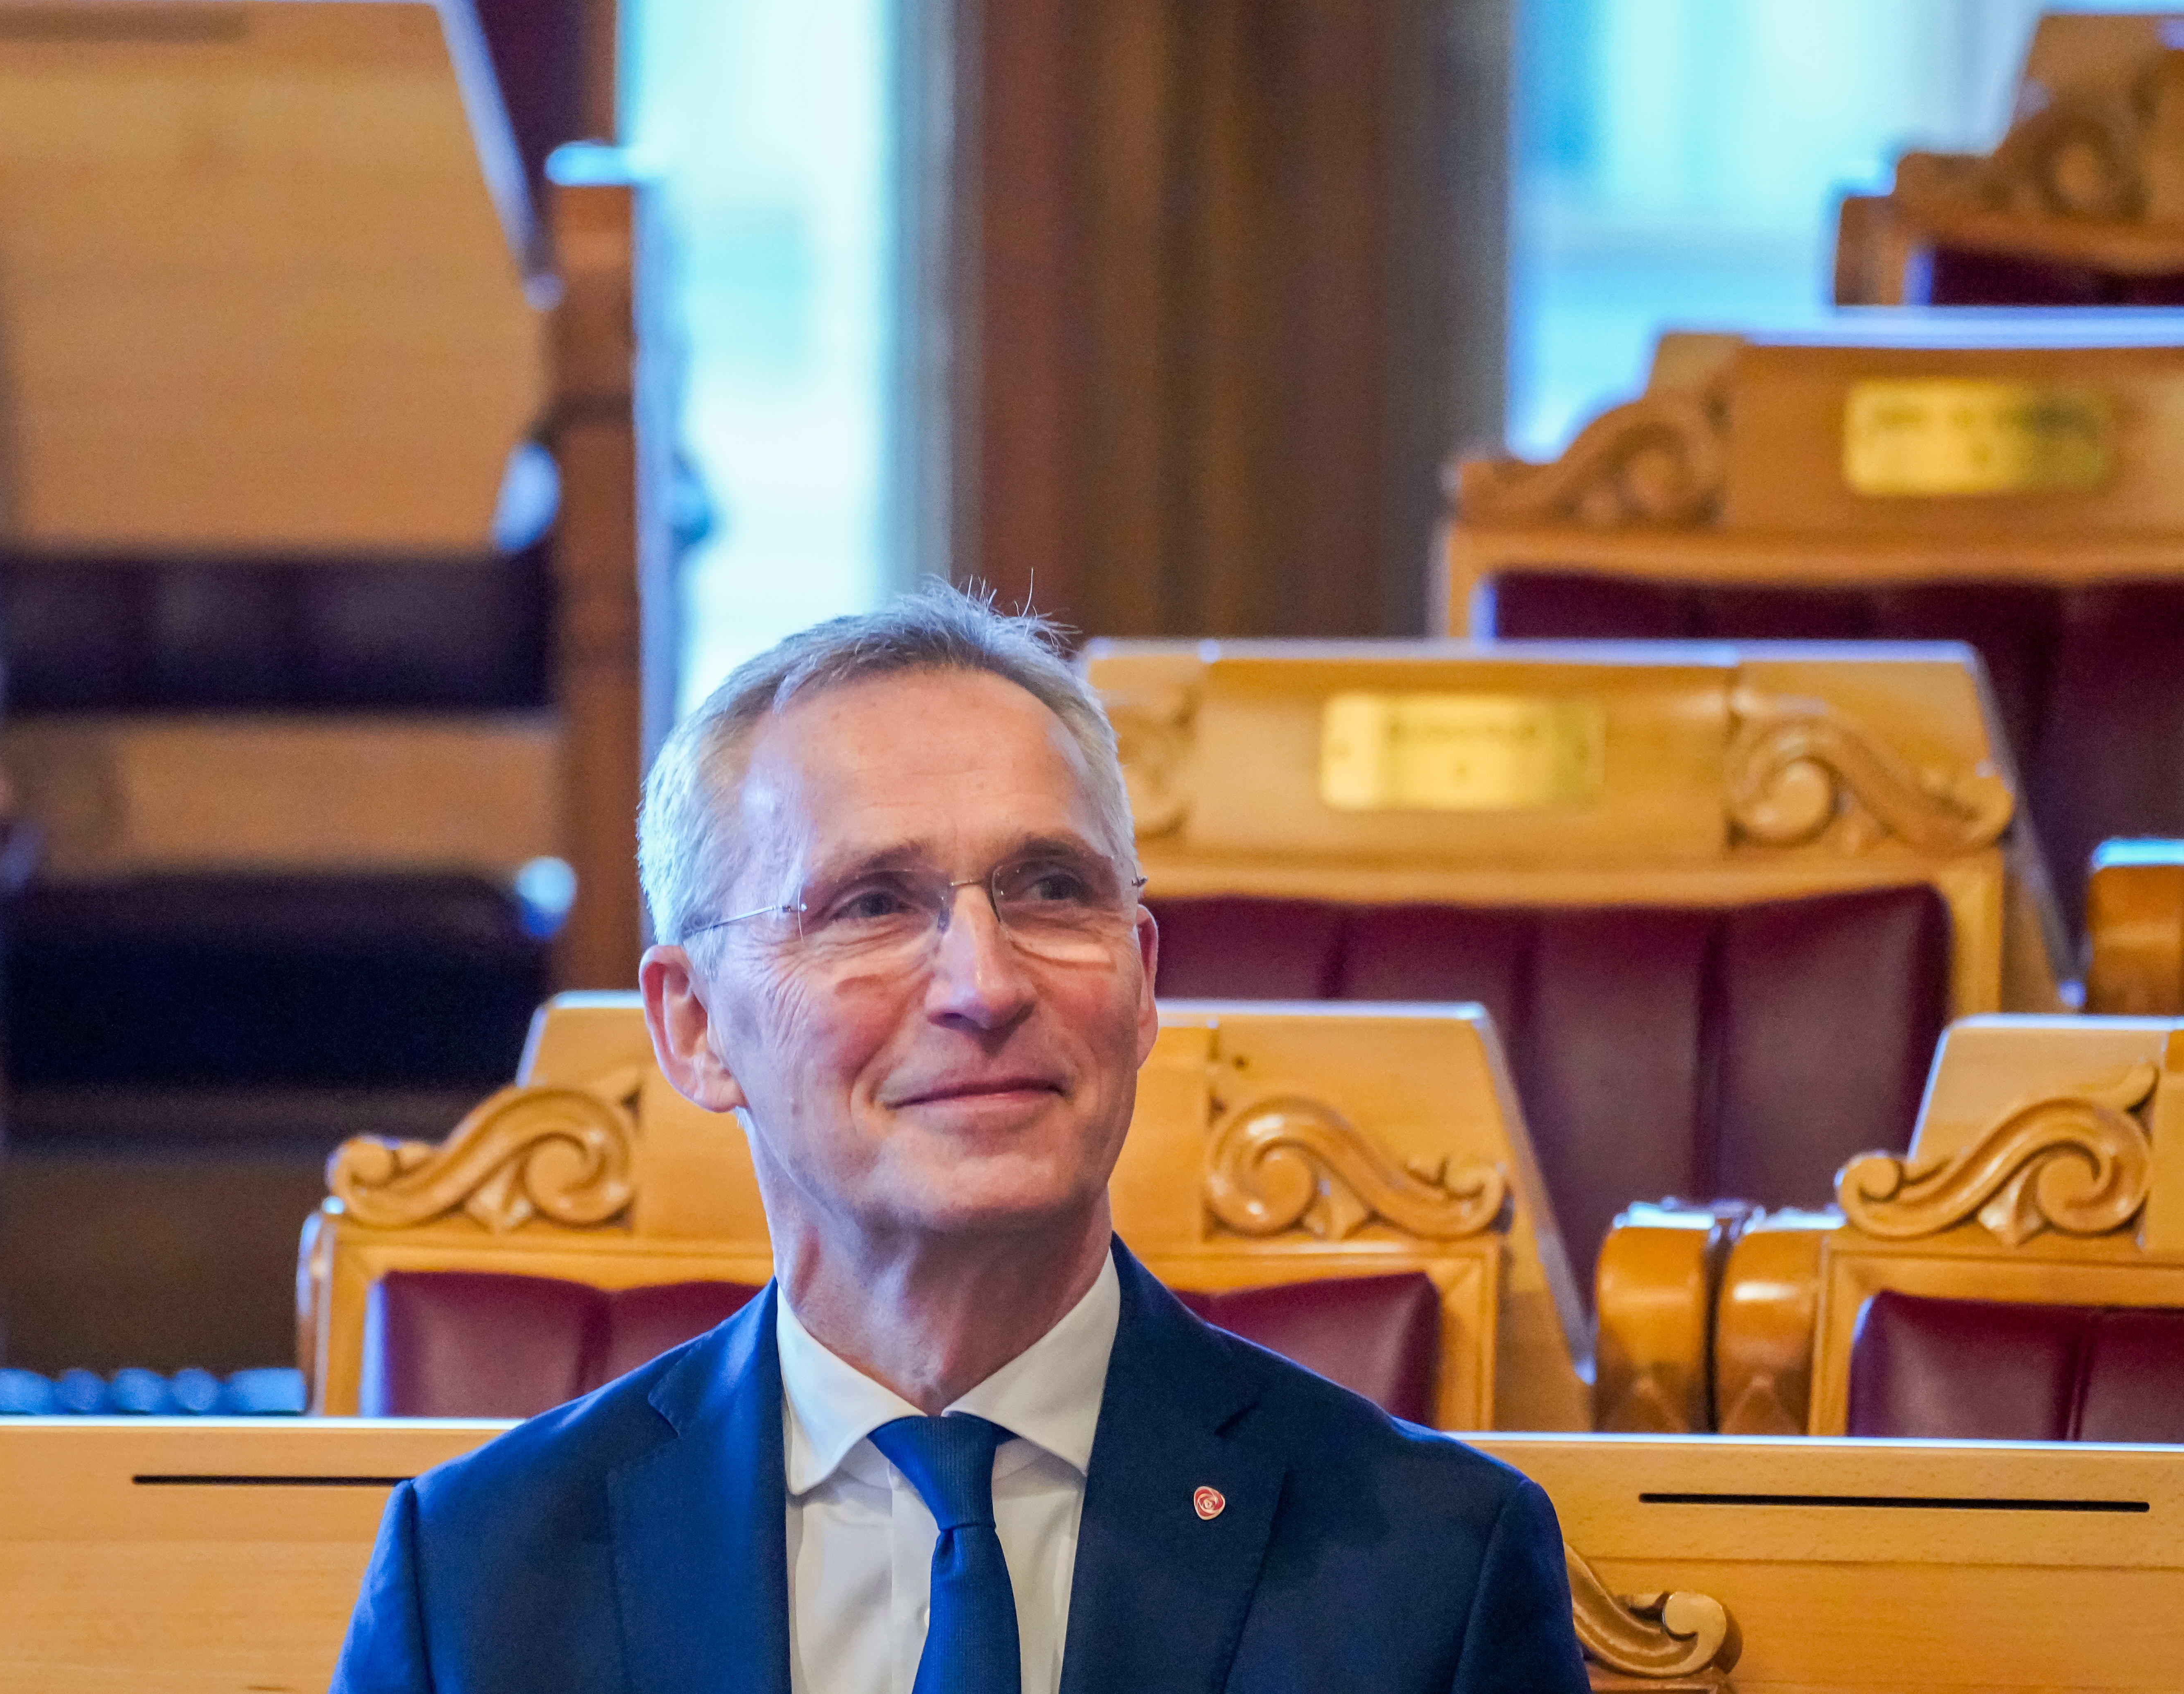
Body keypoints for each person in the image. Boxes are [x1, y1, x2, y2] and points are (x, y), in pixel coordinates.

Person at [332, 586, 1590, 1694]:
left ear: (1141, 981)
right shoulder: (481, 1577)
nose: (985, 986)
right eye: (872, 905)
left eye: (1052, 890)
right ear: (697, 1026)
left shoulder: (1434, 1566)